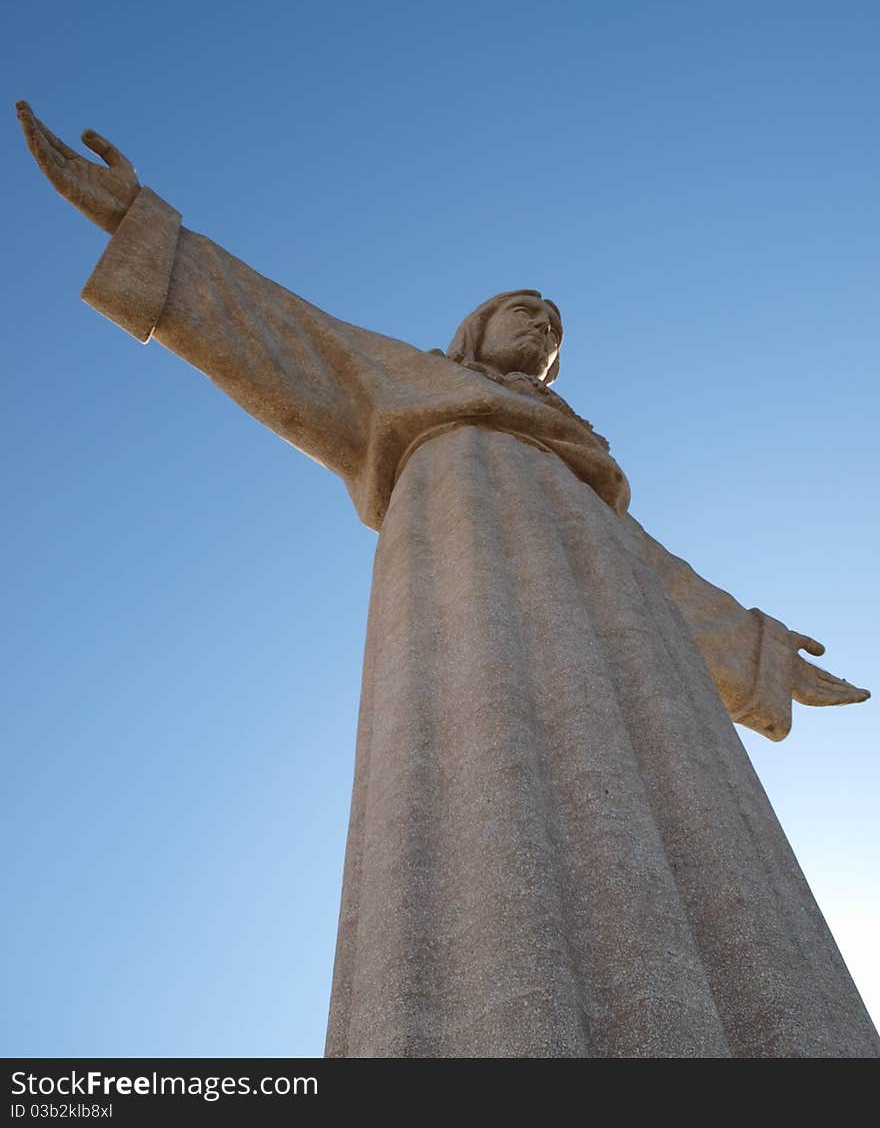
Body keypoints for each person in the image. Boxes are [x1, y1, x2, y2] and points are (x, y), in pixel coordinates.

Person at [16, 101, 877, 1057]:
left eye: (552, 329)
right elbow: (281, 333)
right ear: (473, 331)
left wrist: (758, 652)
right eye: (525, 311)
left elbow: (658, 574)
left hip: (621, 639)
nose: (542, 327)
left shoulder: (578, 465)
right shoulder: (407, 384)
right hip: (459, 573)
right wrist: (145, 229)